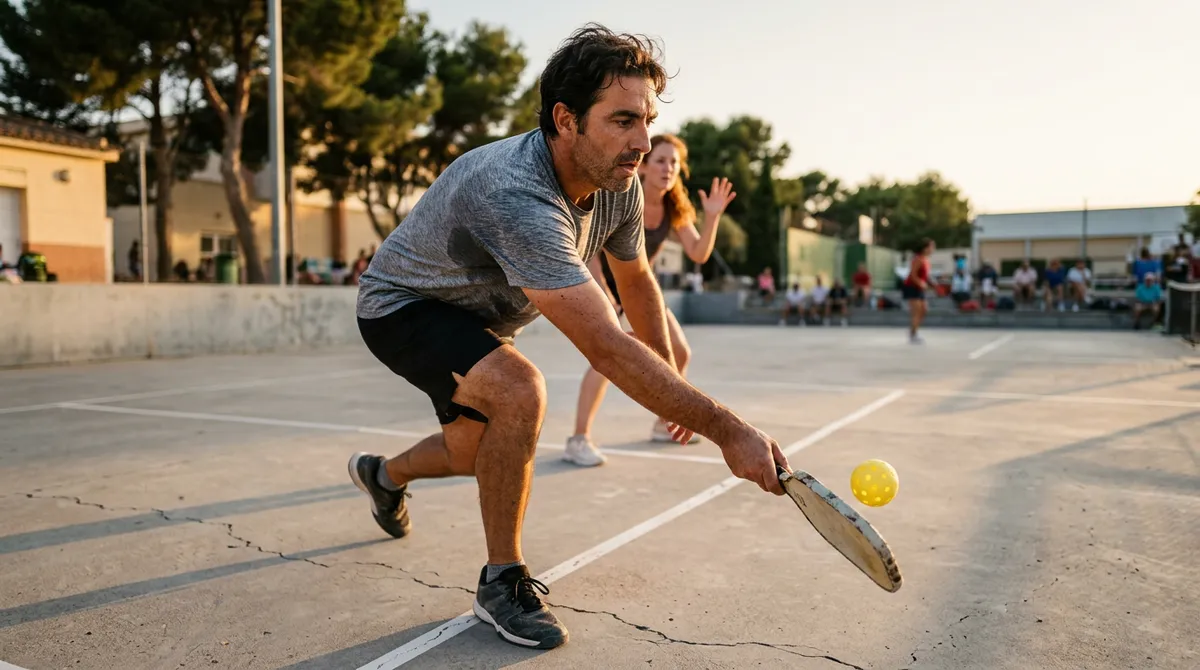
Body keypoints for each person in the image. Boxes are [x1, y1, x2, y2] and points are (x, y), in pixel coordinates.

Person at [346, 25, 790, 651]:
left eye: (648, 121)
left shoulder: (620, 185)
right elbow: (605, 345)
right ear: (566, 118)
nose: (641, 143)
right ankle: (502, 581)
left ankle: (384, 476)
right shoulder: (517, 191)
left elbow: (637, 289)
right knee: (519, 391)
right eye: (623, 121)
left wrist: (674, 387)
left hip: (480, 320)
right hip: (402, 305)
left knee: (478, 451)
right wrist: (728, 428)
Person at [566, 133, 737, 465]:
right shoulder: (622, 194)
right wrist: (603, 295)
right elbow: (591, 247)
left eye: (674, 162)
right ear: (643, 165)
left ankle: (664, 424)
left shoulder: (675, 208)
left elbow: (698, 254)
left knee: (680, 352)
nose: (668, 168)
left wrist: (712, 216)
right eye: (660, 160)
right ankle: (578, 438)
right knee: (604, 362)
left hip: (642, 293)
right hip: (602, 287)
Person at [903, 239, 934, 343]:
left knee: (924, 310)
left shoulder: (926, 260)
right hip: (911, 287)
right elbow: (913, 275)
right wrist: (921, 283)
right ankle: (913, 334)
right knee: (916, 312)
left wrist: (932, 283)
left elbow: (926, 276)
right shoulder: (918, 259)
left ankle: (913, 331)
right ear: (925, 248)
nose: (933, 249)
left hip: (919, 288)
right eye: (931, 247)